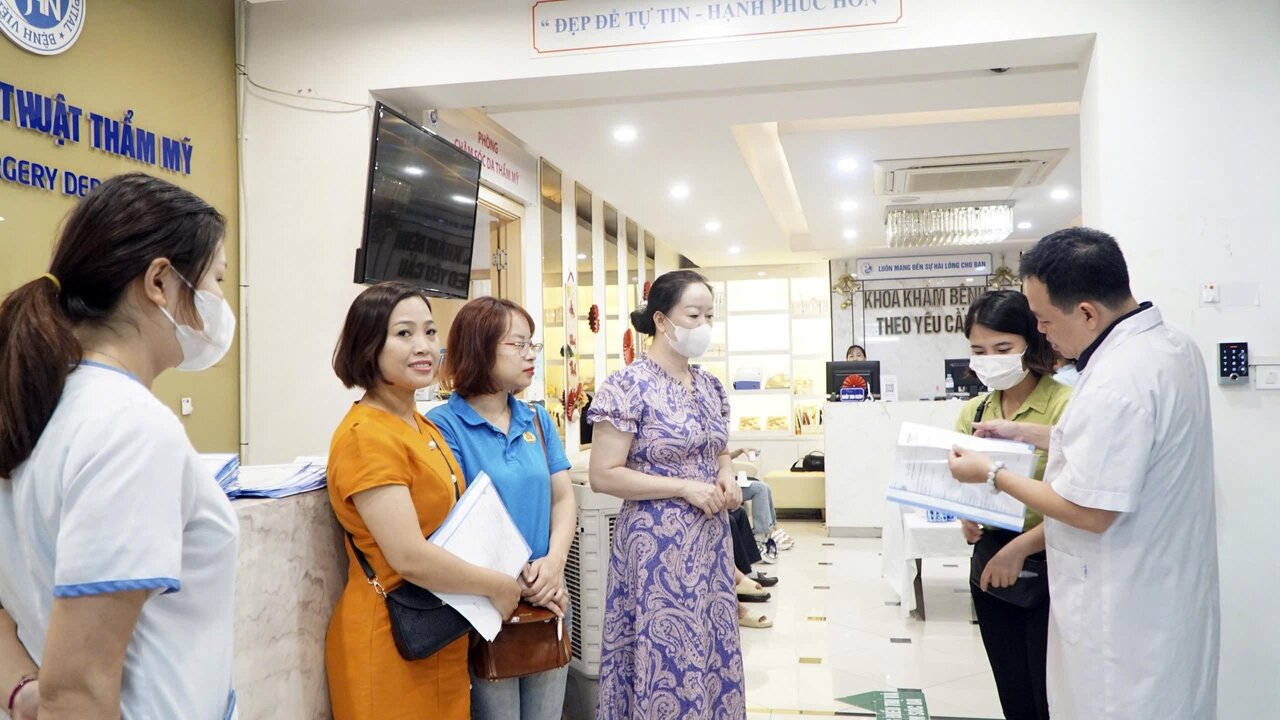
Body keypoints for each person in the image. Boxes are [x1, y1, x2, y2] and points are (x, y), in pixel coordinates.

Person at [948, 228, 1220, 719]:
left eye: (1045, 321)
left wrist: (992, 474)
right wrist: (1028, 435)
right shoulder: (1170, 348)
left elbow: (1089, 511)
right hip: (1161, 594)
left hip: (1124, 616)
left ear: (1088, 312)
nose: (1043, 333)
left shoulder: (1115, 381)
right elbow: (1122, 449)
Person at [0, 173, 239, 719]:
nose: (221, 302)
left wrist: (23, 694)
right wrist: (53, 695)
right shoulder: (129, 430)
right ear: (159, 281)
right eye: (216, 279)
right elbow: (81, 687)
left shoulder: (36, 403)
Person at [326, 282, 522, 720]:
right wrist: (496, 585)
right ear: (369, 343)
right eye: (404, 333)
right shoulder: (367, 436)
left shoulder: (421, 424)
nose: (424, 346)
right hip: (391, 634)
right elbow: (409, 556)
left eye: (431, 333)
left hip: (439, 628)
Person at [587, 270, 745, 719]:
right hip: (657, 549)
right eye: (693, 315)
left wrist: (726, 474)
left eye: (710, 316)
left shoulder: (710, 386)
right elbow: (604, 475)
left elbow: (719, 451)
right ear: (661, 319)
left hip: (711, 544)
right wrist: (683, 488)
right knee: (664, 661)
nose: (704, 326)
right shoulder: (627, 386)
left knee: (712, 652)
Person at [427, 296, 573, 720]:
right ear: (479, 347)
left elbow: (563, 498)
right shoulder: (443, 425)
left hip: (547, 598)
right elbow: (452, 519)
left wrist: (554, 563)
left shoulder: (537, 420)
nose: (530, 355)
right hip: (484, 606)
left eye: (533, 345)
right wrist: (506, 579)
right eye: (518, 344)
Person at [954, 290, 1071, 720]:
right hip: (989, 564)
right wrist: (966, 517)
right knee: (1013, 689)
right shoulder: (974, 412)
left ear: (1032, 340)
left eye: (1002, 349)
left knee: (1050, 693)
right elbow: (965, 487)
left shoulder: (1064, 405)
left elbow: (1077, 503)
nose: (990, 360)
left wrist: (1020, 548)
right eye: (978, 351)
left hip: (1048, 560)